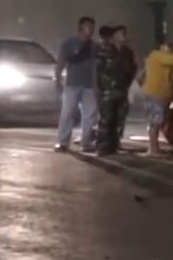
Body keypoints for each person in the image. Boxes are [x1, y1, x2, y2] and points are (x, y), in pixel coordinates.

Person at [54, 15, 98, 152]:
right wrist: (57, 79)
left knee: (89, 115)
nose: (90, 29)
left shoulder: (94, 47)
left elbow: (96, 67)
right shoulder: (68, 44)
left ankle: (86, 142)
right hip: (72, 84)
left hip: (89, 85)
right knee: (67, 113)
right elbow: (61, 61)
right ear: (80, 28)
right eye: (87, 26)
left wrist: (96, 85)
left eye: (92, 27)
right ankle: (62, 142)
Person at [93, 25, 137, 156]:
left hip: (122, 89)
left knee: (119, 120)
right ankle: (102, 147)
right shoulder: (103, 51)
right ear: (114, 37)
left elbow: (132, 69)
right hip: (107, 90)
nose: (124, 37)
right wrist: (97, 87)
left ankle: (114, 145)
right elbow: (97, 70)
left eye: (124, 34)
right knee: (106, 119)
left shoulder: (128, 52)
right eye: (120, 34)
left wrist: (128, 84)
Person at [138, 38, 173, 157]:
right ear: (160, 47)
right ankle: (153, 149)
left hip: (160, 94)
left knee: (157, 122)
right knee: (155, 122)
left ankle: (155, 148)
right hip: (154, 94)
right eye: (167, 46)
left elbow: (171, 79)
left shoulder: (163, 59)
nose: (170, 48)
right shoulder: (156, 55)